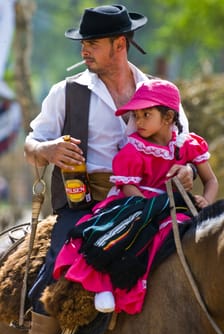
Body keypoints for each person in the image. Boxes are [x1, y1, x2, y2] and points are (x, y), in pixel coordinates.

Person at [24, 4, 196, 334]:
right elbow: (31, 144)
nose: (84, 50)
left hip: (156, 204)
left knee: (197, 255)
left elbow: (184, 148)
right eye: (82, 43)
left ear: (120, 44)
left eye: (93, 42)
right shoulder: (67, 92)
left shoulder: (162, 93)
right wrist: (48, 150)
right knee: (53, 271)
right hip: (87, 206)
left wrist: (188, 170)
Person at [53, 79, 218, 315]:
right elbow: (128, 189)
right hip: (136, 204)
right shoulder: (133, 150)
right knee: (119, 236)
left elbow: (211, 181)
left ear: (169, 118)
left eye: (146, 115)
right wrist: (150, 211)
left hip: (176, 205)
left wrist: (207, 201)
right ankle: (109, 286)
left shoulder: (189, 145)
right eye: (136, 116)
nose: (138, 122)